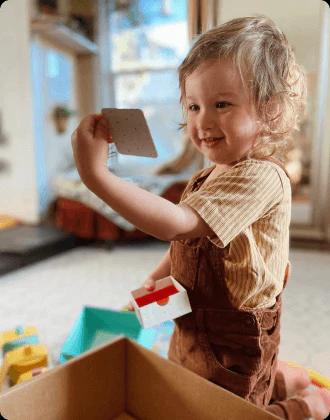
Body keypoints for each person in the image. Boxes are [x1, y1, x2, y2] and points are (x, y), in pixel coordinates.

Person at [72, 15, 330, 420]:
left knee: (232, 408)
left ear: (271, 110)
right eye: (193, 105)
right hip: (194, 317)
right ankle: (282, 377)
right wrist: (152, 286)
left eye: (222, 104)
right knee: (189, 386)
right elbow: (186, 245)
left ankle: (304, 404)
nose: (202, 121)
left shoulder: (261, 177)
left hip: (236, 334)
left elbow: (175, 223)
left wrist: (96, 176)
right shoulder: (208, 175)